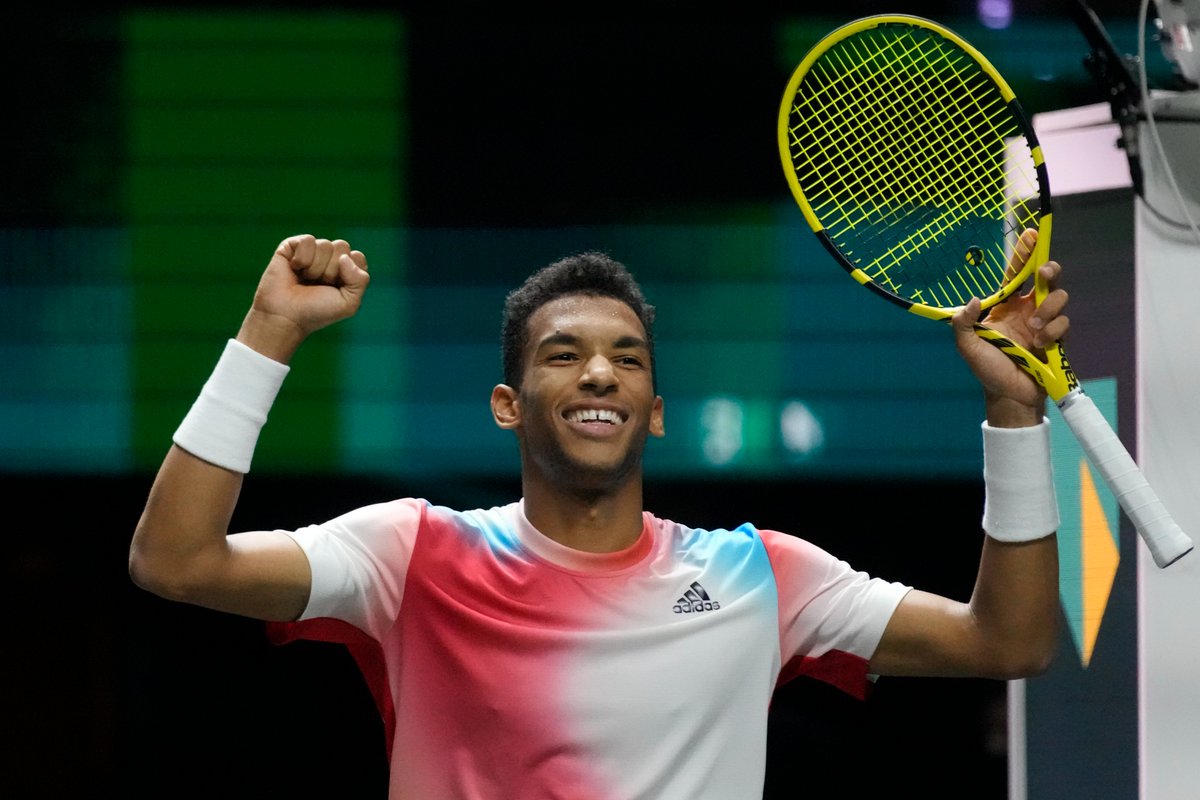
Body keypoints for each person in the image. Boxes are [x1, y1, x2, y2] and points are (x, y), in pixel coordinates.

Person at [129, 231, 1067, 799]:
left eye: (627, 356)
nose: (598, 373)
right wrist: (271, 329)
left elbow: (1008, 643)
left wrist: (1015, 413)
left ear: (653, 410)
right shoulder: (412, 552)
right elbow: (176, 561)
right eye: (562, 354)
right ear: (509, 403)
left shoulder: (759, 576)